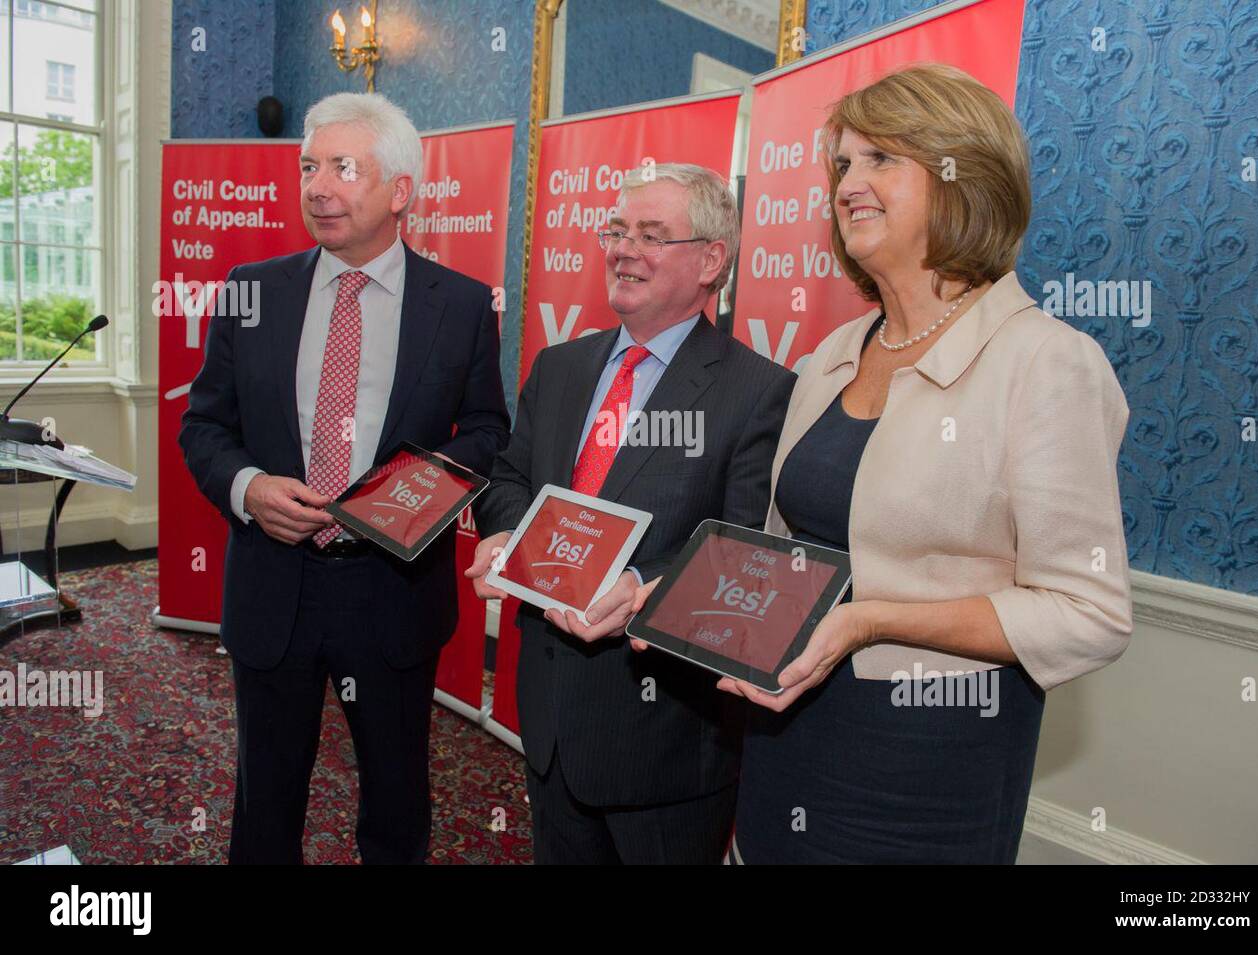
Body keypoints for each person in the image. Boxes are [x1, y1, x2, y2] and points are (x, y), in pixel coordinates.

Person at [634, 64, 1133, 864]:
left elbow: (1088, 611)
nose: (848, 184)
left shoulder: (1048, 363)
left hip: (923, 776)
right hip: (783, 738)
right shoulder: (834, 352)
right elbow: (775, 563)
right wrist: (666, 594)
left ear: (962, 177)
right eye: (842, 164)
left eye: (880, 160)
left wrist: (871, 618)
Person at [179, 92, 510, 864]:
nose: (317, 186)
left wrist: (413, 494)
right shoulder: (251, 289)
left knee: (397, 803)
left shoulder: (460, 307)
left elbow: (490, 431)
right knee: (265, 803)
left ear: (400, 191)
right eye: (307, 167)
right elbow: (203, 427)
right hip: (273, 582)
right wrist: (249, 489)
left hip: (391, 590)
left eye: (341, 167)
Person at [467, 163, 795, 864]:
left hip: (664, 745)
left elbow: (743, 552)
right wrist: (503, 531)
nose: (622, 250)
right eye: (616, 231)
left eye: (651, 235)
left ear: (712, 260)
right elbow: (510, 475)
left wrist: (640, 587)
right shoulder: (559, 366)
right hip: (551, 716)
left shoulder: (758, 392)